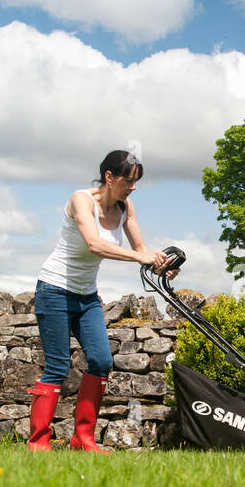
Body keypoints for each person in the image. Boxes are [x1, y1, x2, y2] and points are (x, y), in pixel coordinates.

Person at [26, 150, 178, 451]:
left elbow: (141, 250)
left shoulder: (125, 207)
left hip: (87, 296)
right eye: (128, 180)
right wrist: (140, 256)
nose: (133, 187)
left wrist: (161, 266)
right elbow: (94, 244)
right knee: (57, 367)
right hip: (54, 290)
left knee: (101, 360)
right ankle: (38, 442)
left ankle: (82, 439)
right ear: (109, 177)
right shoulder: (81, 200)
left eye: (136, 181)